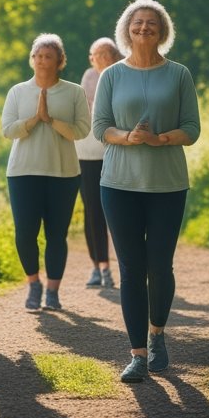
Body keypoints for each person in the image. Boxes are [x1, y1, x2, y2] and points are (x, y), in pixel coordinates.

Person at [92, 0, 200, 383]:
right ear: (127, 29)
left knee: (159, 265)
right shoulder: (112, 76)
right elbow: (99, 126)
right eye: (137, 23)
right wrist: (128, 137)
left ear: (162, 30)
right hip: (118, 184)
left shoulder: (179, 74)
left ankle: (157, 335)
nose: (143, 29)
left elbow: (192, 128)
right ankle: (137, 353)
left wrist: (161, 139)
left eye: (151, 23)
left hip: (167, 184)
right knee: (131, 269)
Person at [1, 33, 90, 313]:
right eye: (37, 56)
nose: (41, 61)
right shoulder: (18, 91)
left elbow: (81, 130)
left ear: (59, 61)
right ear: (32, 60)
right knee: (25, 233)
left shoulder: (74, 92)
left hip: (63, 173)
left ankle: (52, 292)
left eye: (48, 56)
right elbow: (7, 130)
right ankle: (33, 283)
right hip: (23, 172)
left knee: (56, 234)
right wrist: (34, 119)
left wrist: (51, 120)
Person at [77, 37, 121, 289]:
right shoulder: (89, 76)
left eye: (104, 53)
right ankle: (99, 267)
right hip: (88, 152)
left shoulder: (123, 73)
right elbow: (87, 113)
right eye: (94, 54)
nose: (98, 58)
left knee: (117, 210)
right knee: (92, 209)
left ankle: (126, 263)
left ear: (114, 55)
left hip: (118, 151)